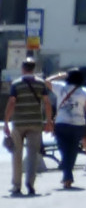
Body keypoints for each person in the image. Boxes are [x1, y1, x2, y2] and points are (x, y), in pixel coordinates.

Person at [5, 59, 51, 197]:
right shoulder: (41, 83)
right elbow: (47, 103)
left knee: (16, 154)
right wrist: (49, 121)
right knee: (32, 155)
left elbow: (12, 102)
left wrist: (6, 121)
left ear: (23, 68)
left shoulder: (16, 84)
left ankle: (16, 186)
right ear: (34, 68)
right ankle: (30, 184)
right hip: (35, 122)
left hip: (18, 123)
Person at [49, 67, 86, 190]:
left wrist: (59, 75)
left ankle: (67, 176)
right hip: (78, 124)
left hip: (61, 124)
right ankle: (68, 176)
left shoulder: (60, 87)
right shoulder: (84, 91)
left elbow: (46, 81)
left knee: (64, 150)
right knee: (73, 151)